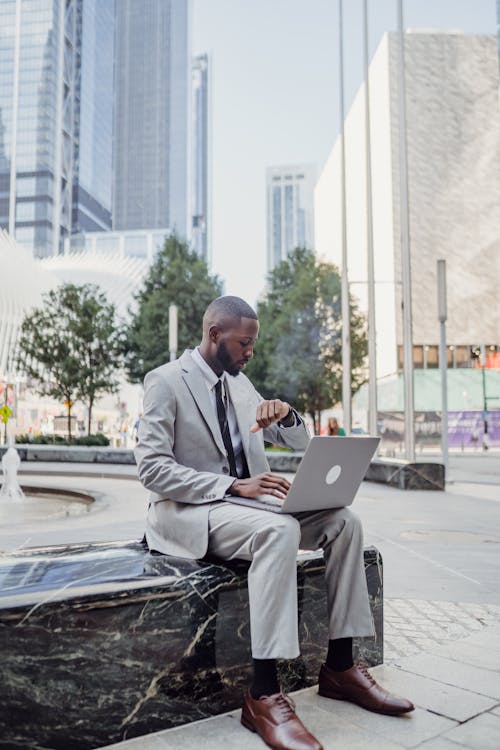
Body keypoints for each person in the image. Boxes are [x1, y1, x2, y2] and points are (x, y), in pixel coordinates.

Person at [135, 296, 413, 750]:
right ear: (214, 335)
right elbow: (151, 469)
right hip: (192, 510)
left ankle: (341, 668)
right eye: (244, 343)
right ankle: (263, 694)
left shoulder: (241, 385)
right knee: (279, 530)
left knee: (345, 521)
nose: (250, 353)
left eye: (254, 345)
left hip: (247, 510)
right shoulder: (166, 382)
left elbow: (299, 439)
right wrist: (230, 486)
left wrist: (286, 414)